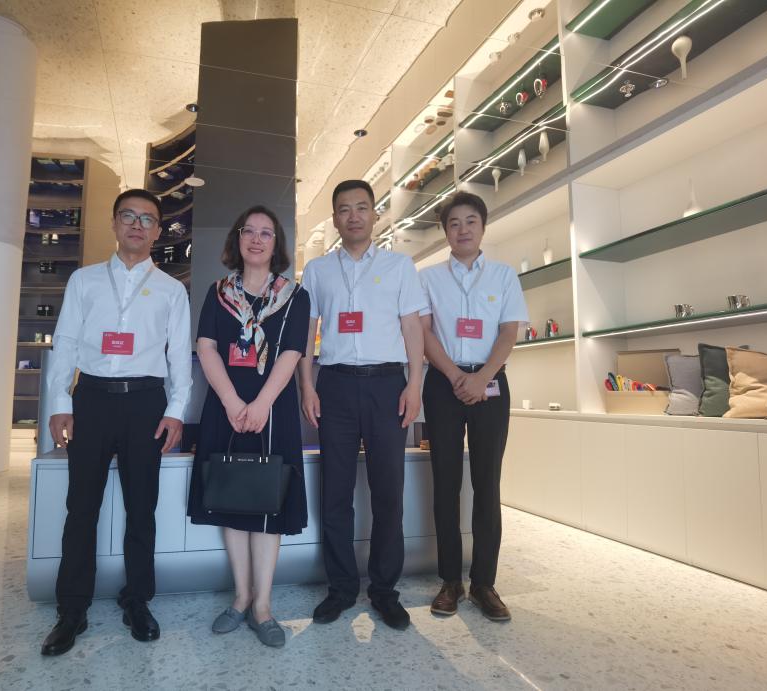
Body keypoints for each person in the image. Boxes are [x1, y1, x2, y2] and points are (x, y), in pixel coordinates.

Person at [41, 188, 192, 656]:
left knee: (141, 507)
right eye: (129, 216)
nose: (137, 225)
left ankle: (137, 600)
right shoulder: (84, 281)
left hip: (146, 403)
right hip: (91, 400)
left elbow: (179, 357)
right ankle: (72, 609)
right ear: (114, 223)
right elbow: (65, 343)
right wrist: (59, 402)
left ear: (158, 231)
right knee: (81, 507)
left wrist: (175, 411)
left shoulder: (171, 290)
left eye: (148, 219)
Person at [298, 179, 426, 631]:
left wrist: (414, 384)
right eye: (344, 209)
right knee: (334, 492)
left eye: (361, 207)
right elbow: (307, 333)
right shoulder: (317, 271)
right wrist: (307, 386)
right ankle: (340, 588)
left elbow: (412, 329)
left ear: (375, 214)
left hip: (387, 385)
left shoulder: (399, 267)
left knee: (388, 492)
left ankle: (385, 590)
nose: (353, 216)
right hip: (334, 385)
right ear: (334, 218)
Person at [187, 205, 310, 648]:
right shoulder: (218, 292)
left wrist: (260, 404)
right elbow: (206, 347)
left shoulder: (294, 296)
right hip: (227, 406)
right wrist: (233, 402)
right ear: (237, 239)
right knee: (232, 498)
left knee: (268, 504)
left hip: (273, 409)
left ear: (277, 244)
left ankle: (263, 607)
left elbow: (292, 354)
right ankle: (240, 598)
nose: (256, 239)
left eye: (266, 233)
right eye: (249, 231)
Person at [418, 191, 527, 622]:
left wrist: (482, 378)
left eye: (470, 221)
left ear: (482, 227)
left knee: (487, 483)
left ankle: (484, 583)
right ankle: (450, 580)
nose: (462, 229)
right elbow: (424, 333)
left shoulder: (503, 276)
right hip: (442, 384)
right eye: (454, 223)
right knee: (445, 484)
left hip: (490, 384)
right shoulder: (428, 278)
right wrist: (455, 376)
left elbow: (509, 332)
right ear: (445, 231)